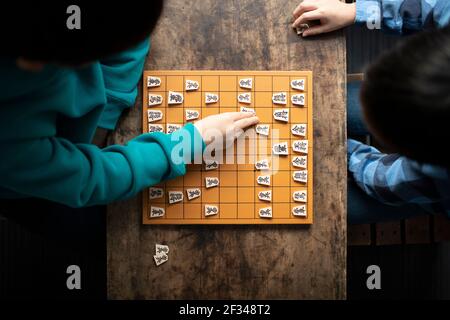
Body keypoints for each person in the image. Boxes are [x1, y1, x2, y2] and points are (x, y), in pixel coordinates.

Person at [0, 3, 259, 208]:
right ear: (32, 63)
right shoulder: (9, 138)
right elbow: (87, 180)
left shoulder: (79, 27)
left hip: (77, 131)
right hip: (36, 183)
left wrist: (107, 108)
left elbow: (127, 36)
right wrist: (181, 147)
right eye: (89, 58)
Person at [292, 0, 450, 224]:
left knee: (324, 205)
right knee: (318, 104)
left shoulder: (438, 176)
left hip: (431, 191)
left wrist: (339, 148)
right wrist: (355, 12)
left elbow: (388, 183)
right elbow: (433, 5)